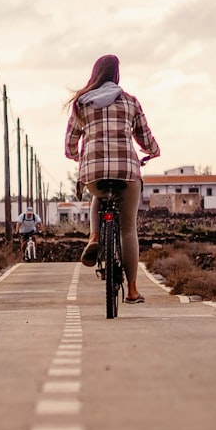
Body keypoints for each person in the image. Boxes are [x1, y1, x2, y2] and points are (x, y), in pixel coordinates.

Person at [64, 54, 160, 304]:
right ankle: (132, 290)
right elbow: (145, 137)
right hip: (127, 171)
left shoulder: (82, 104)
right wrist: (153, 151)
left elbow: (70, 144)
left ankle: (94, 237)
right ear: (117, 75)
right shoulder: (130, 102)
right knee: (128, 228)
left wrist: (77, 157)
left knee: (99, 196)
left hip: (93, 172)